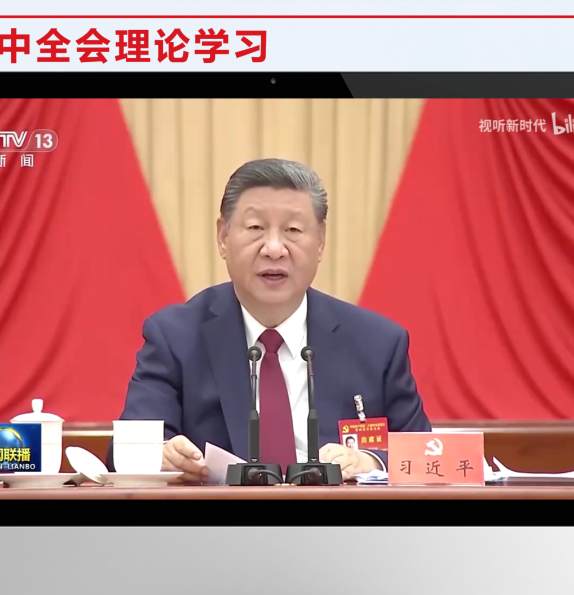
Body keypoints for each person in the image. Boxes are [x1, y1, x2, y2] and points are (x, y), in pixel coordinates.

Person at [108, 158, 431, 481]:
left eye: (293, 230)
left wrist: (371, 461)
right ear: (223, 237)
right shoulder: (175, 337)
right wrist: (161, 455)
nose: (274, 249)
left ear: (320, 241)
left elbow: (428, 456)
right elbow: (124, 452)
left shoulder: (377, 343)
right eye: (255, 228)